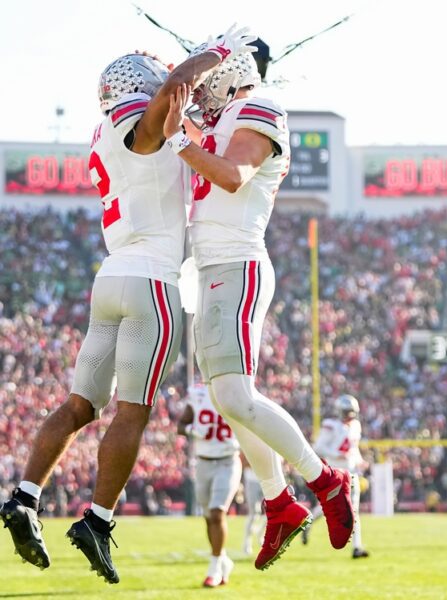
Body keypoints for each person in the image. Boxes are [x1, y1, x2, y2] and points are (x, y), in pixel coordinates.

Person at [0, 26, 257, 584]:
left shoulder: (103, 130)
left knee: (79, 406)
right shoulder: (140, 128)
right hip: (151, 284)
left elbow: (177, 114)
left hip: (110, 278)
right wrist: (217, 54)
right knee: (132, 411)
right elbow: (174, 92)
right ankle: (97, 518)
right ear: (145, 84)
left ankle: (24, 495)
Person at [162, 49, 355, 571]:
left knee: (236, 394)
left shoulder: (262, 105)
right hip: (213, 269)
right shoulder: (225, 117)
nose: (200, 90)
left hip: (238, 262)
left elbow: (232, 175)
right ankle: (279, 501)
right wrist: (175, 106)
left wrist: (180, 137)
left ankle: (323, 481)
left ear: (231, 75)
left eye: (206, 80)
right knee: (228, 398)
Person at [177, 381, 241, 588]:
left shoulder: (236, 391)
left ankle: (213, 568)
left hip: (228, 460)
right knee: (208, 517)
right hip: (203, 462)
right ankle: (223, 560)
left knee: (217, 512)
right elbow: (181, 425)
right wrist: (195, 431)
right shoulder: (197, 394)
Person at [303, 394, 369, 558]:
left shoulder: (355, 426)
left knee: (353, 509)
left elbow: (354, 449)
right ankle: (308, 523)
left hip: (351, 472)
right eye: (347, 412)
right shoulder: (330, 425)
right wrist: (338, 454)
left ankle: (357, 547)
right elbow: (318, 448)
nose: (350, 416)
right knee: (330, 508)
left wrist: (360, 461)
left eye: (352, 412)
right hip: (335, 473)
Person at [241, 453, 266, 556]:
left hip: (267, 478)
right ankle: (247, 541)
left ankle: (261, 534)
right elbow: (243, 461)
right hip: (252, 478)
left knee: (272, 510)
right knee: (254, 512)